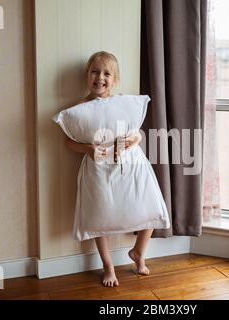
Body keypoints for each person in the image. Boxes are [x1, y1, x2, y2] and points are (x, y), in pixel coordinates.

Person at [64, 51, 158, 287]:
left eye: (107, 73)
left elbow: (136, 131)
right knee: (99, 215)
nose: (100, 77)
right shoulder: (80, 109)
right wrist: (88, 150)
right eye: (95, 72)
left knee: (152, 207)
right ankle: (108, 265)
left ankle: (138, 252)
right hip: (98, 167)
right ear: (87, 76)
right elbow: (68, 141)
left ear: (114, 79)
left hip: (132, 164)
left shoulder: (125, 106)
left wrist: (135, 140)